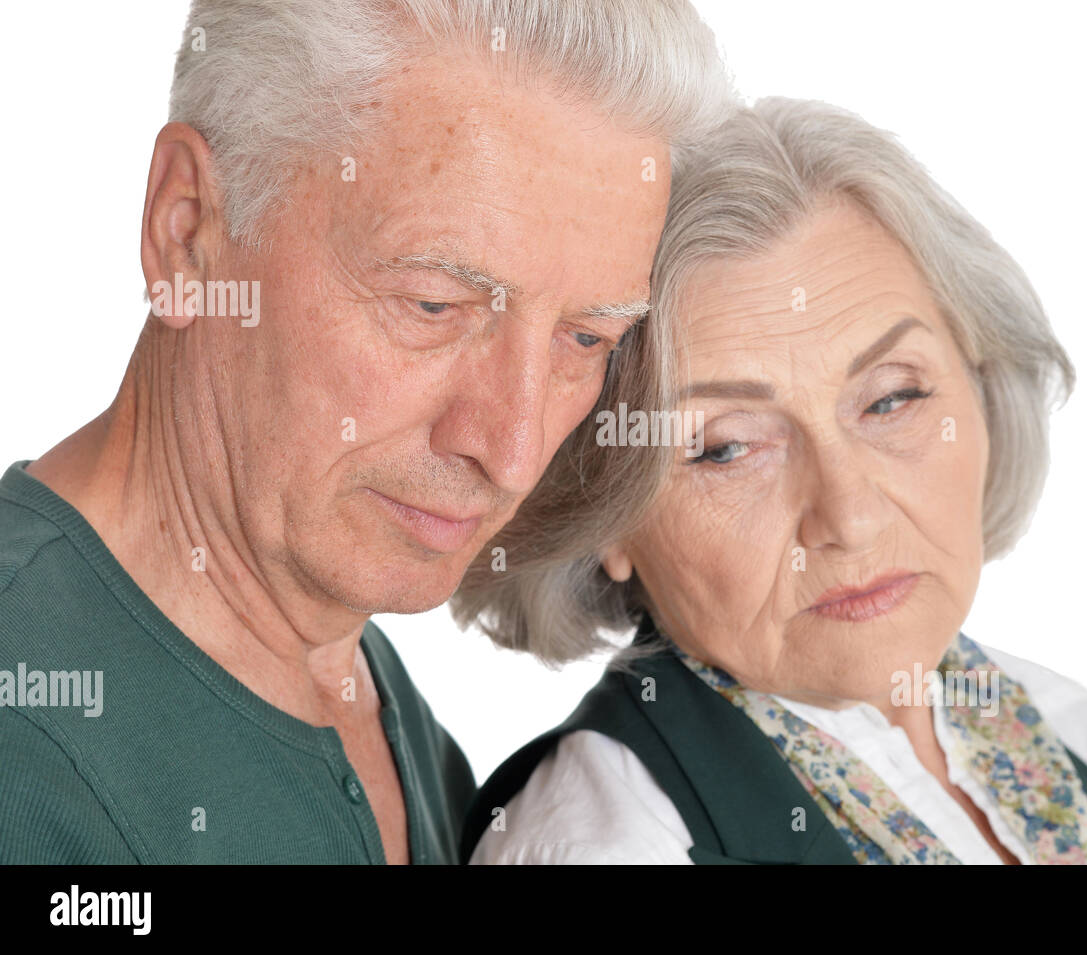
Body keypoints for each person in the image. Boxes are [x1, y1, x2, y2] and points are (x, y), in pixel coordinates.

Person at [0, 0, 735, 863]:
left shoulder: (378, 700)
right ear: (187, 229)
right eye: (433, 305)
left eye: (585, 338)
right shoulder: (27, 747)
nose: (512, 450)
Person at [458, 100, 1087, 865]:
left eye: (892, 398)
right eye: (728, 448)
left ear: (981, 387)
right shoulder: (604, 839)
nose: (850, 515)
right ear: (606, 515)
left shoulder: (1073, 728)